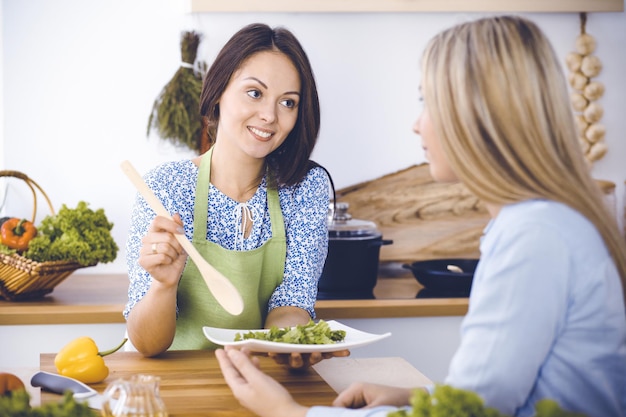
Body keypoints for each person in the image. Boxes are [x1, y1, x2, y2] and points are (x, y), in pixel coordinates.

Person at [215, 15, 626, 417]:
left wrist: (289, 413)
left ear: (477, 116)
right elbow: (490, 397)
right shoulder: (543, 224)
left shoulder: (534, 237)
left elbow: (470, 413)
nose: (416, 124)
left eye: (427, 101)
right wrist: (416, 398)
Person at [124, 23, 345, 367]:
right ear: (218, 91)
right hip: (176, 386)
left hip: (261, 377)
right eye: (255, 93)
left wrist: (293, 345)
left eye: (288, 102)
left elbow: (292, 303)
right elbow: (147, 344)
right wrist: (163, 286)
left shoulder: (305, 188)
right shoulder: (164, 188)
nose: (270, 116)